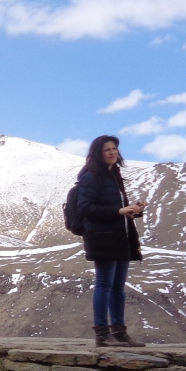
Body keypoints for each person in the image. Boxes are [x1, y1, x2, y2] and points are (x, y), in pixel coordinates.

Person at [77, 135, 146, 347]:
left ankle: (119, 332)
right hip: (102, 238)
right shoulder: (91, 177)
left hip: (121, 238)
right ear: (98, 153)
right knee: (104, 284)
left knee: (118, 287)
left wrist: (133, 210)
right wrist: (118, 211)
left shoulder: (114, 176)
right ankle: (102, 334)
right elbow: (85, 208)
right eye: (107, 149)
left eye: (114, 148)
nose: (112, 152)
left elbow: (117, 210)